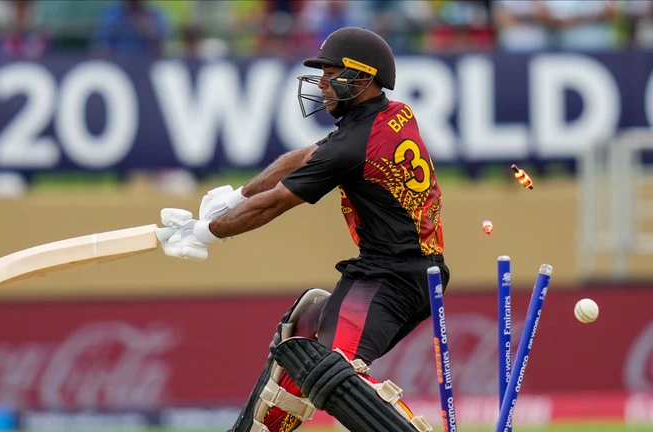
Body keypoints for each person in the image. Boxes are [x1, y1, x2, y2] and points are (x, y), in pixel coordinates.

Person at [157, 26, 450, 432]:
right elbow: (306, 156)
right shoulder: (391, 115)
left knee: (331, 371)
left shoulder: (353, 146)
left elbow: (277, 202)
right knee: (304, 337)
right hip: (410, 271)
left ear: (363, 78)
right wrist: (237, 195)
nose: (323, 86)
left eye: (332, 75)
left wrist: (205, 232)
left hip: (389, 277)